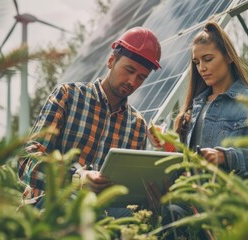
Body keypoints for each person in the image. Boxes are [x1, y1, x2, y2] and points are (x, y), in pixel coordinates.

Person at [17, 27, 162, 216]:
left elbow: (131, 190)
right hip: (50, 206)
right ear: (111, 61)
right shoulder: (67, 96)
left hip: (104, 216)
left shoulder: (138, 126)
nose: (132, 82)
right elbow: (27, 160)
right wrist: (76, 178)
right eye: (129, 70)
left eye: (141, 77)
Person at [174, 21, 248, 177]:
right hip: (193, 198)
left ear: (228, 57)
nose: (201, 68)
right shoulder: (193, 108)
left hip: (235, 197)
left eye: (208, 59)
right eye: (197, 62)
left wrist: (225, 157)